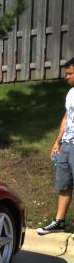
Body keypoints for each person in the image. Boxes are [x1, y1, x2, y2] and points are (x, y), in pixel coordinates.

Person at [37, 58, 74, 235]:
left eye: (70, 73)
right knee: (64, 185)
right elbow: (66, 118)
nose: (66, 77)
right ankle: (59, 222)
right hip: (66, 144)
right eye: (66, 73)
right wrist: (57, 142)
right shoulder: (71, 93)